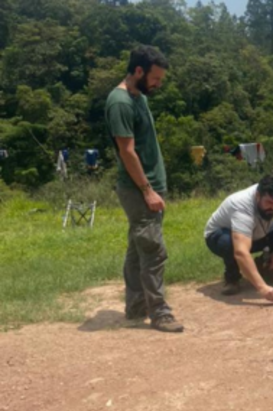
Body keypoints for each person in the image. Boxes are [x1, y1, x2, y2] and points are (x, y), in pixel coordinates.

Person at [106, 45, 183, 333]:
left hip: (148, 184)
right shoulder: (120, 102)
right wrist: (148, 190)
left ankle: (136, 305)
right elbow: (127, 152)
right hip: (138, 187)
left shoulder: (139, 97)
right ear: (139, 71)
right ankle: (159, 312)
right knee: (152, 248)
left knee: (138, 248)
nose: (158, 84)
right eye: (155, 78)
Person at [204, 175, 273, 299]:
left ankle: (264, 268)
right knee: (230, 244)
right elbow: (240, 252)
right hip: (219, 236)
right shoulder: (241, 205)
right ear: (257, 195)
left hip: (257, 231)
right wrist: (262, 288)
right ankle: (232, 277)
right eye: (269, 203)